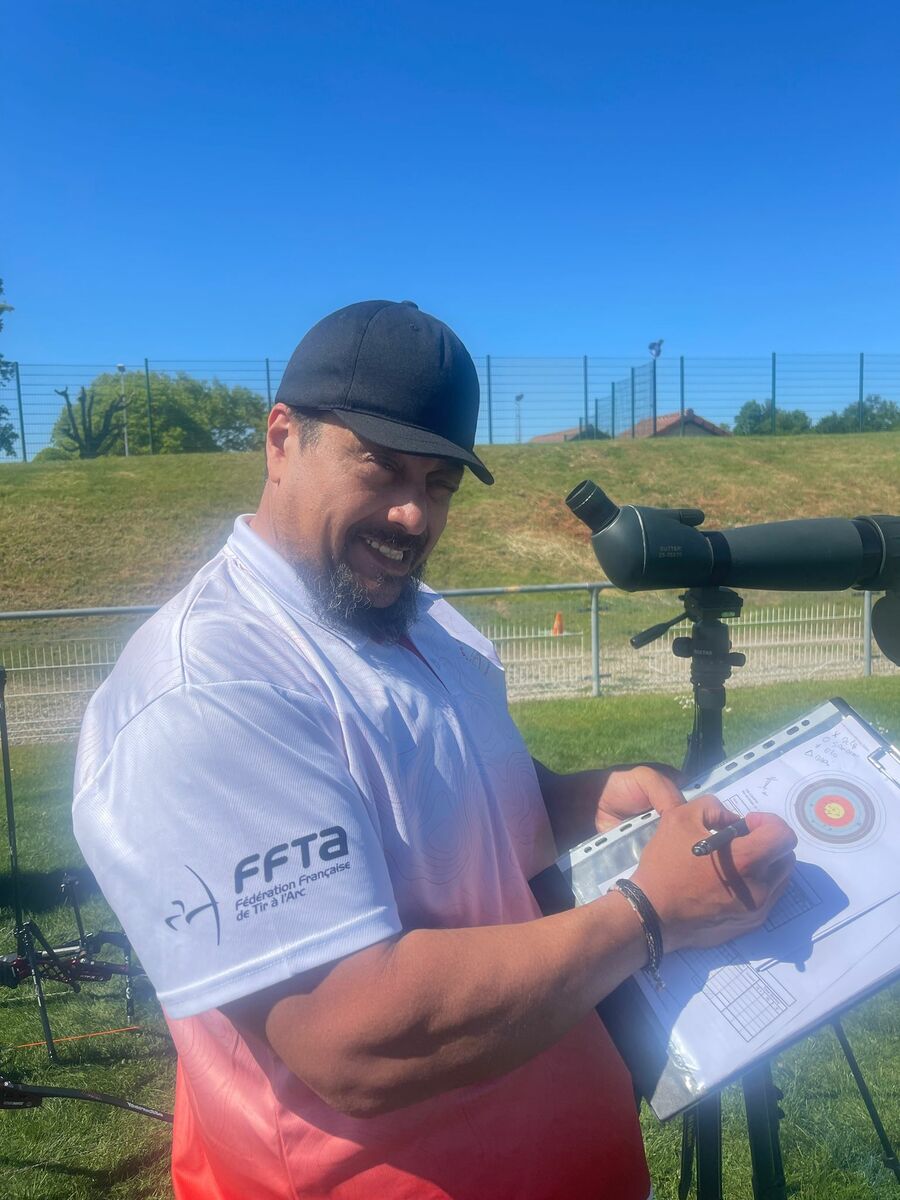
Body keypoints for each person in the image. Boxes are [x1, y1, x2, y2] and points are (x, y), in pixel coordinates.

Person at [73, 300, 796, 1200]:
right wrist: (649, 916)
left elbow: (447, 800)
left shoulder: (421, 616)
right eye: (380, 468)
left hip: (581, 1157)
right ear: (281, 440)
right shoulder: (206, 687)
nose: (413, 516)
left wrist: (578, 802)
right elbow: (352, 1037)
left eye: (441, 483)